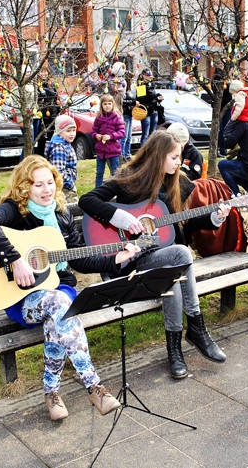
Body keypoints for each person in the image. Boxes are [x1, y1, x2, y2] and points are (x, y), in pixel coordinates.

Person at [0, 156, 128, 420]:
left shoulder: (62, 214)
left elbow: (79, 258)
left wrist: (116, 259)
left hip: (59, 289)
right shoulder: (14, 211)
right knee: (61, 307)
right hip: (20, 298)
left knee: (57, 315)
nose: (47, 190)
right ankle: (94, 386)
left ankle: (52, 394)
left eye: (50, 183)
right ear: (24, 188)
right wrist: (15, 259)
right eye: (38, 185)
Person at [78, 131, 231, 379]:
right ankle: (197, 328)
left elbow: (182, 224)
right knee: (179, 257)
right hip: (132, 261)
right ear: (158, 156)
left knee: (175, 268)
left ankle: (175, 350)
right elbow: (87, 200)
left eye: (179, 156)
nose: (178, 162)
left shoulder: (178, 182)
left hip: (166, 263)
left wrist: (215, 217)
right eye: (173, 157)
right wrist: (124, 219)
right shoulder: (129, 178)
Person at [92, 94, 125, 187]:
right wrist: (96, 136)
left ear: (113, 105)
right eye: (105, 104)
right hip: (100, 150)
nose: (107, 106)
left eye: (109, 103)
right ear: (101, 105)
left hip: (113, 149)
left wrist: (111, 136)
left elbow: (122, 132)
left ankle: (115, 190)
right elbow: (94, 131)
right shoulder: (99, 118)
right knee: (99, 172)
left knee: (115, 172)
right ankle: (97, 190)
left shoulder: (116, 117)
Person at [44, 114, 79, 202]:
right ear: (59, 132)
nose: (72, 134)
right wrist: (70, 184)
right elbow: (58, 172)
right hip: (64, 188)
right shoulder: (59, 147)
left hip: (66, 185)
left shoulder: (65, 143)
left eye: (74, 130)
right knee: (72, 210)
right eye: (68, 131)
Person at [136, 70, 163, 144]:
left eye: (151, 75)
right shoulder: (141, 86)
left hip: (154, 112)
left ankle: (151, 151)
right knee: (145, 134)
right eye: (149, 75)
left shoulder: (151, 84)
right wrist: (155, 100)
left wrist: (158, 97)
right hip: (146, 113)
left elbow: (153, 97)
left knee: (152, 134)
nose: (150, 77)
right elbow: (141, 101)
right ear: (144, 76)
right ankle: (144, 153)